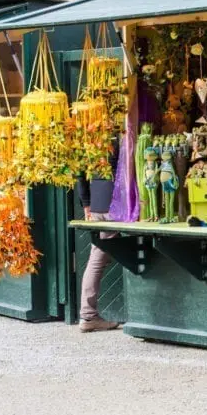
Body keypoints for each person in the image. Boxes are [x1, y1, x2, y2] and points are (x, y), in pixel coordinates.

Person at [75, 140, 121, 333]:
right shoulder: (118, 135)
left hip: (96, 203)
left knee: (98, 256)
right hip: (117, 202)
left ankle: (88, 314)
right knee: (98, 256)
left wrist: (86, 201)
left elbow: (79, 172)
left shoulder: (89, 135)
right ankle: (88, 314)